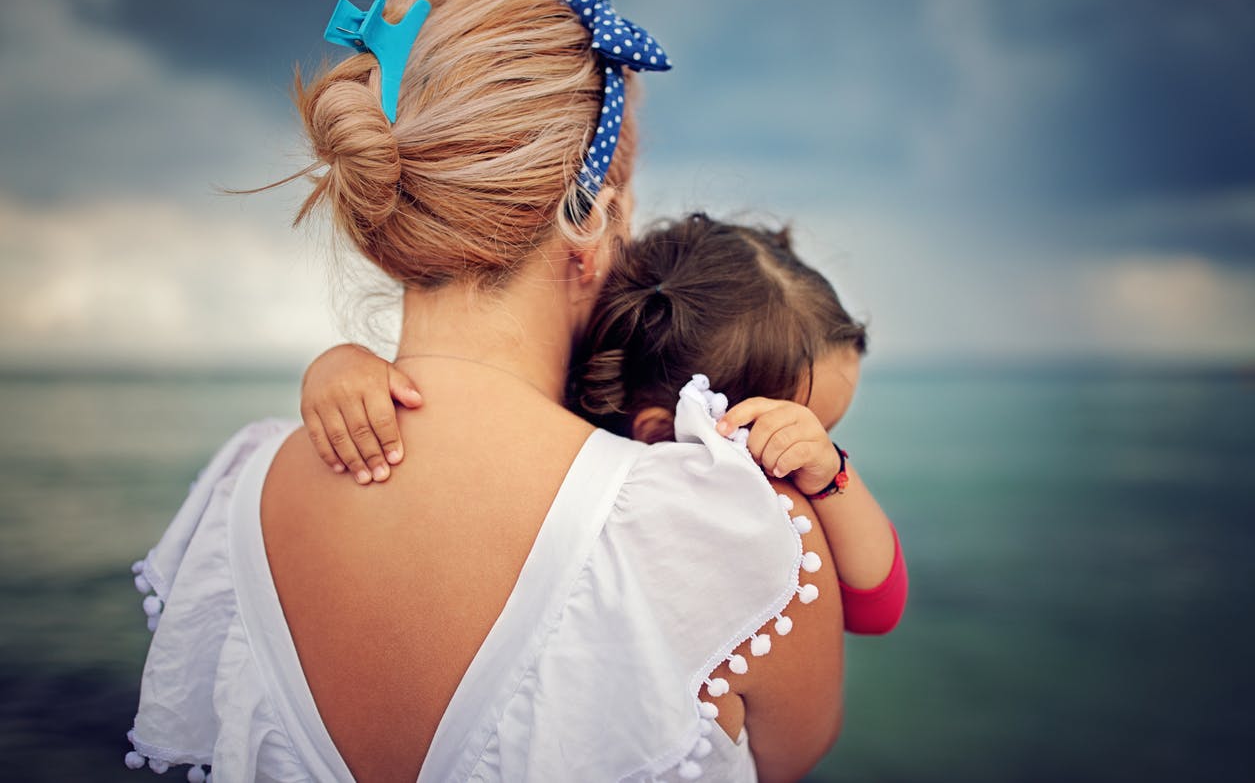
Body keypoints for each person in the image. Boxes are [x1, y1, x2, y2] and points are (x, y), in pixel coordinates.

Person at [124, 0, 846, 781]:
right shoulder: (728, 533)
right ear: (595, 216)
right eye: (627, 211)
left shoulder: (238, 490)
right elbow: (793, 753)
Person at [304, 214, 908, 636]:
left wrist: (832, 476)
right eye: (793, 423)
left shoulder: (806, 480)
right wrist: (342, 371)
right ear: (658, 432)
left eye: (824, 431)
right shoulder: (571, 457)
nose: (806, 445)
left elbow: (877, 606)